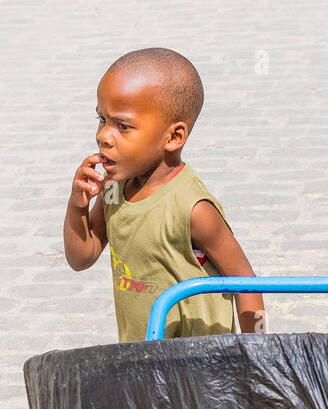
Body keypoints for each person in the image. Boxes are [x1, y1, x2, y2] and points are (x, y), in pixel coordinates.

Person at [63, 47, 264, 342]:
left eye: (123, 126)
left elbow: (246, 284)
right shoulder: (113, 190)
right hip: (144, 360)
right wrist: (76, 206)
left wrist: (256, 354)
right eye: (101, 119)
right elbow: (82, 257)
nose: (104, 136)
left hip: (196, 369)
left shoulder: (193, 210)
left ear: (173, 137)